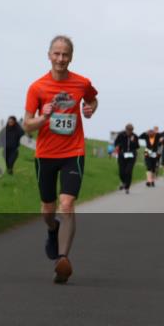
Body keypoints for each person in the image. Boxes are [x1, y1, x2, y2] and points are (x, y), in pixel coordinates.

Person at [23, 35, 99, 284]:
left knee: (66, 204)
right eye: (56, 53)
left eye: (65, 54)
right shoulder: (37, 87)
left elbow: (92, 100)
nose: (60, 58)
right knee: (47, 210)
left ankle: (62, 260)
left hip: (73, 152)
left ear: (71, 57)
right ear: (49, 55)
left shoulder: (81, 83)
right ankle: (52, 229)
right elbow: (26, 125)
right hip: (45, 154)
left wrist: (90, 109)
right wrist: (43, 118)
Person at [113, 123, 139, 194]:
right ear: (126, 129)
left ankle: (127, 187)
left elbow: (137, 146)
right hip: (122, 155)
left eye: (131, 130)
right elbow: (116, 143)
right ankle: (124, 182)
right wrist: (118, 146)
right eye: (128, 130)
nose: (129, 132)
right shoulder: (121, 135)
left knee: (128, 171)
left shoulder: (135, 136)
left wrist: (133, 141)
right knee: (121, 171)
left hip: (131, 156)